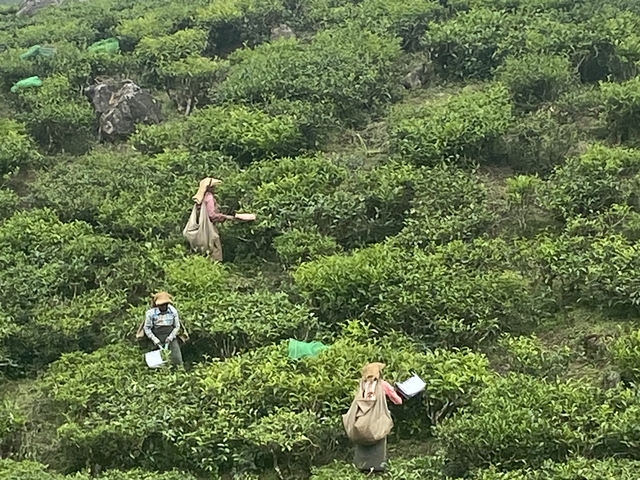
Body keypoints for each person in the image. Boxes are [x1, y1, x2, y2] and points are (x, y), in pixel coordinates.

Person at [192, 177, 234, 262]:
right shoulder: (209, 198)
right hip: (209, 227)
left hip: (199, 228)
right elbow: (211, 215)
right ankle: (215, 268)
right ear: (210, 188)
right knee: (215, 249)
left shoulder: (200, 198)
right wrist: (222, 217)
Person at [143, 291, 183, 367]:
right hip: (156, 336)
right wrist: (155, 340)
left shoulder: (173, 311)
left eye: (165, 304)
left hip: (170, 336)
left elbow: (177, 326)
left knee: (176, 358)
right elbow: (147, 328)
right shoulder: (151, 313)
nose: (163, 307)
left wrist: (170, 338)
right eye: (161, 305)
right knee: (155, 361)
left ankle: (178, 372)